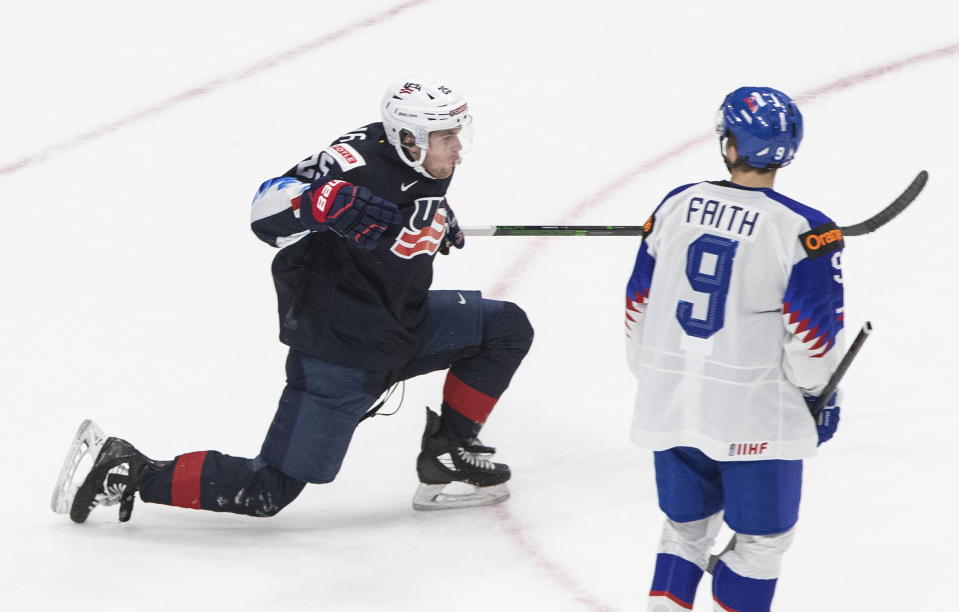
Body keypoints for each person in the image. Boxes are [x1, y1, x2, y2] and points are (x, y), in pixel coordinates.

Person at [53, 76, 534, 523]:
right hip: (339, 353)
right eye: (446, 137)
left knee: (504, 327)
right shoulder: (354, 163)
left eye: (457, 133)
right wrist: (316, 203)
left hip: (403, 323)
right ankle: (128, 470)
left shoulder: (422, 161)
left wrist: (433, 215)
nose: (458, 149)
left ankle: (447, 452)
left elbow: (402, 201)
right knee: (269, 490)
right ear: (408, 138)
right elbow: (266, 210)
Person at [625, 87, 844, 611]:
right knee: (761, 544)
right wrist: (820, 399)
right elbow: (813, 341)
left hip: (671, 400)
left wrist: (657, 379)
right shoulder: (807, 231)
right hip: (755, 415)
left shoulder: (675, 203)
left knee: (684, 531)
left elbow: (638, 304)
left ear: (730, 145)